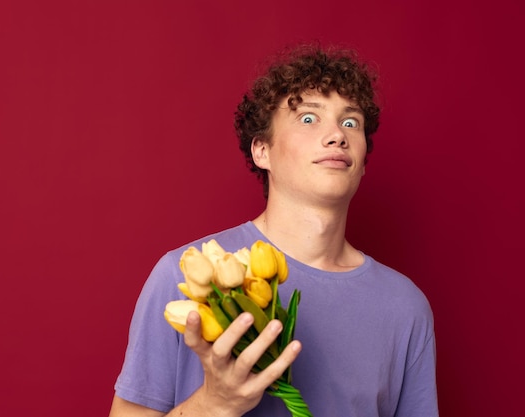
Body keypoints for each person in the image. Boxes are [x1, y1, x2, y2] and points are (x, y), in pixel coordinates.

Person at [109, 43, 438, 417]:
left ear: (362, 164)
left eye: (351, 123)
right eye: (309, 118)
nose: (337, 135)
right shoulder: (189, 274)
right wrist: (213, 405)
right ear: (262, 151)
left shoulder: (405, 307)